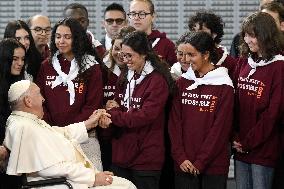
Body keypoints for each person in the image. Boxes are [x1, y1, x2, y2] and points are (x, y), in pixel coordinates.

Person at [3, 80, 137, 189]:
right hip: (60, 184)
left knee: (124, 184)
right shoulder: (24, 127)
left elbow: (61, 133)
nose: (43, 99)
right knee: (126, 186)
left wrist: (89, 123)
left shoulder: (26, 121)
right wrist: (92, 177)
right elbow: (49, 168)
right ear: (28, 101)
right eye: (39, 94)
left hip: (68, 180)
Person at [102, 31, 174, 189]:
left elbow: (144, 116)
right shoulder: (128, 75)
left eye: (130, 55)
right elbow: (118, 103)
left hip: (146, 158)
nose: (125, 60)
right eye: (123, 54)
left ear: (144, 54)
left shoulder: (157, 81)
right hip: (121, 153)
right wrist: (113, 110)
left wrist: (114, 114)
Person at [36, 17, 104, 171]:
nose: (61, 41)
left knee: (90, 181)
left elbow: (92, 105)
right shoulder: (46, 66)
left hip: (85, 136)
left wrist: (73, 129)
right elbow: (40, 102)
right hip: (53, 136)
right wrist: (55, 130)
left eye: (67, 37)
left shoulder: (91, 67)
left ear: (77, 39)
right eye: (58, 36)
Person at [169, 31, 234, 189]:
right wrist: (180, 157)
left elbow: (220, 130)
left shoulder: (224, 85)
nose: (186, 60)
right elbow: (174, 123)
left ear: (205, 55)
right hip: (183, 163)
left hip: (213, 165)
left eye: (192, 55)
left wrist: (200, 161)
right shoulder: (183, 82)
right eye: (184, 54)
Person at [232, 12, 284, 189]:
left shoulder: (280, 66)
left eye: (253, 35)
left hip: (263, 148)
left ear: (266, 35)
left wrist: (248, 142)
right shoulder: (244, 63)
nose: (247, 40)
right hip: (240, 145)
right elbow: (235, 104)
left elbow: (273, 113)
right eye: (245, 35)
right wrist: (236, 137)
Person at [99, 26, 135, 171]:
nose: (120, 53)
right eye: (116, 48)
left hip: (129, 135)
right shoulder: (101, 69)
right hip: (104, 134)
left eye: (124, 49)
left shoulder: (141, 73)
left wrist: (118, 106)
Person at [0, 38, 26, 189]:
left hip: (16, 153)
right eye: (15, 59)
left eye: (22, 59)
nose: (20, 63)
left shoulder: (21, 84)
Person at [188, 10, 237, 76]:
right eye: (194, 31)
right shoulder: (187, 57)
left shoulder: (228, 62)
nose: (196, 35)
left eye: (201, 31)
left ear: (214, 34)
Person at [127, 0, 177, 66]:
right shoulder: (123, 42)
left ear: (153, 17)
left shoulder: (166, 45)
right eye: (133, 14)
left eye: (142, 14)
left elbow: (177, 74)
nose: (136, 18)